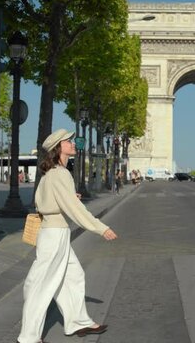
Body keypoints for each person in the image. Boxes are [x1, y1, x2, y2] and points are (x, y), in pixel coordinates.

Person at [17, 128, 118, 343]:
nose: (73, 144)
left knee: (73, 277)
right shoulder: (60, 173)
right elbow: (75, 209)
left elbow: (43, 200)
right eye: (68, 141)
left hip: (54, 232)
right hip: (54, 234)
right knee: (40, 285)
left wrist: (69, 197)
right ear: (58, 147)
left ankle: (78, 322)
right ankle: (28, 337)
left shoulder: (52, 172)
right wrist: (101, 228)